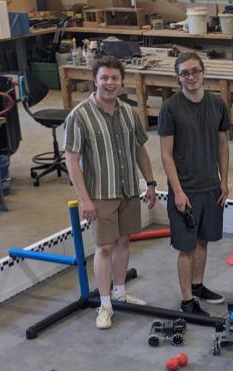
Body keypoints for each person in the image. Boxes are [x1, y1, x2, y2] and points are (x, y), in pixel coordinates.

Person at [63, 55, 156, 330]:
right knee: (104, 247)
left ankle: (119, 290)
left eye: (115, 78)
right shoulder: (79, 115)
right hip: (101, 194)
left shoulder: (128, 112)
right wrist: (84, 199)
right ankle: (105, 304)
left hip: (127, 189)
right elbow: (71, 160)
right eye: (104, 77)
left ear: (122, 81)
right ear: (95, 79)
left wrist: (149, 182)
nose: (110, 83)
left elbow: (140, 148)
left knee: (125, 241)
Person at [158, 52, 230, 316]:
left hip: (211, 187)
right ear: (178, 78)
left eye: (195, 71)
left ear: (203, 72)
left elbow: (223, 143)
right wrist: (177, 191)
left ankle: (198, 286)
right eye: (185, 73)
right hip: (185, 191)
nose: (191, 77)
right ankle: (187, 301)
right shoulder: (170, 108)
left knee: (203, 242)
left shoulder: (217, 104)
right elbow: (166, 153)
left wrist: (223, 180)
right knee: (186, 247)